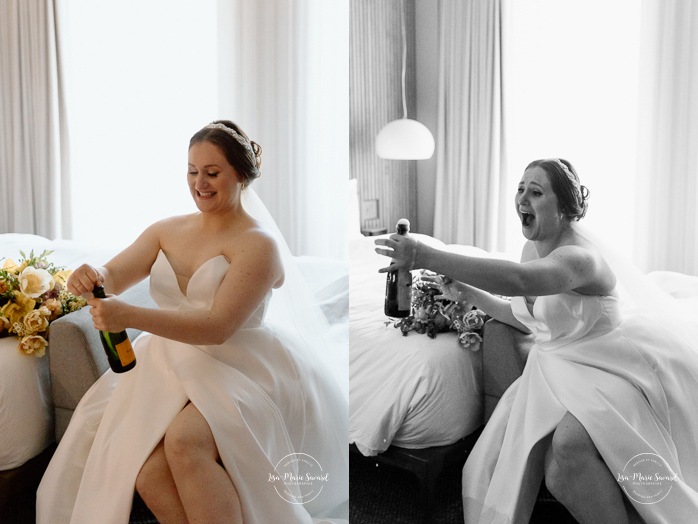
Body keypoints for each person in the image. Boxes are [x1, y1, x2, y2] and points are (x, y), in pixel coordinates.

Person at [37, 120, 348, 524]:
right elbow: (111, 276)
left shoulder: (258, 244)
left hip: (240, 364)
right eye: (192, 171)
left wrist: (128, 315)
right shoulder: (166, 230)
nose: (199, 182)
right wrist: (91, 274)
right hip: (169, 362)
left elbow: (217, 327)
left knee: (184, 443)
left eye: (212, 173)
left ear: (241, 174)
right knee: (147, 471)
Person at [375, 158, 698, 523]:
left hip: (611, 366)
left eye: (536, 191)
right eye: (520, 189)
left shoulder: (580, 259)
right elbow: (526, 316)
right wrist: (467, 294)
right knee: (558, 475)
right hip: (564, 366)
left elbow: (520, 281)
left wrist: (421, 254)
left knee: (568, 446)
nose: (522, 198)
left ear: (563, 208)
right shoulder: (533, 249)